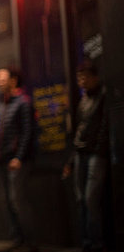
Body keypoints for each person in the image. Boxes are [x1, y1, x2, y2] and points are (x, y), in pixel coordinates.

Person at [0, 67, 37, 252]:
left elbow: (27, 132)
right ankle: (18, 239)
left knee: (18, 200)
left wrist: (19, 157)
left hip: (17, 161)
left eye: (2, 79)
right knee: (8, 201)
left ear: (14, 80)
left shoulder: (23, 102)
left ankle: (30, 242)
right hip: (2, 161)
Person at [62, 60, 109, 252]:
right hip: (80, 154)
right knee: (81, 199)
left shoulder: (103, 96)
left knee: (90, 199)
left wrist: (97, 149)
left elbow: (104, 127)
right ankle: (87, 243)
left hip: (96, 155)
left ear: (95, 77)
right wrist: (71, 160)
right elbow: (80, 131)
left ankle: (97, 243)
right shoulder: (83, 100)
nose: (81, 80)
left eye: (84, 76)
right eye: (79, 77)